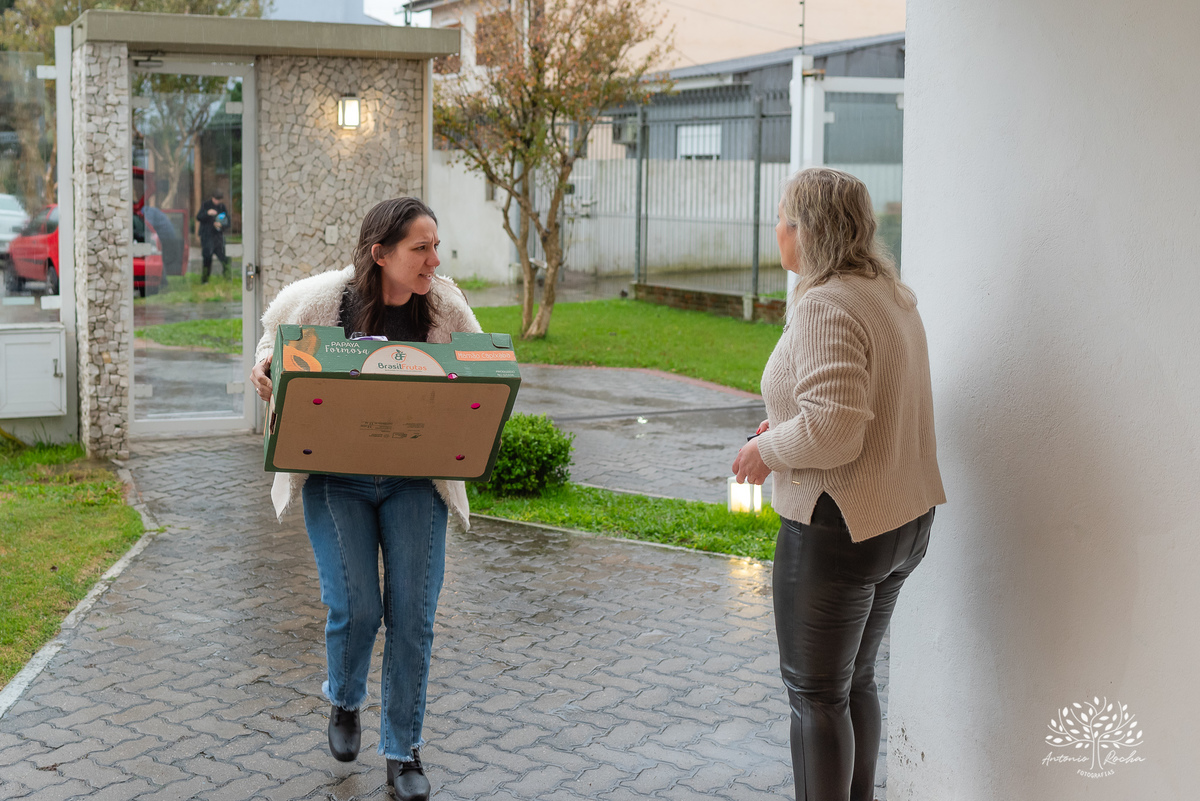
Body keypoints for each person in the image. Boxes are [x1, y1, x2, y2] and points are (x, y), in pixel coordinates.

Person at [249, 197, 482, 801]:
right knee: (357, 609)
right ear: (380, 254)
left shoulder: (446, 306)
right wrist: (266, 368)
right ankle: (346, 698)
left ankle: (402, 751)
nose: (435, 260)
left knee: (412, 619)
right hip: (335, 478)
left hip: (415, 479)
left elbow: (486, 366)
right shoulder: (324, 300)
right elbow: (273, 340)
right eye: (420, 248)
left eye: (436, 246)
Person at [731, 168, 946, 801]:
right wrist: (793, 423)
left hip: (837, 525)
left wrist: (765, 449)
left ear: (806, 230)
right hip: (898, 521)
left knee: (816, 697)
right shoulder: (887, 294)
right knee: (853, 685)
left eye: (782, 219)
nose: (776, 231)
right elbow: (858, 406)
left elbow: (835, 431)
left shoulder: (827, 303)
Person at [196, 189, 231, 283]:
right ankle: (205, 280)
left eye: (219, 200)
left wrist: (221, 225)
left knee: (225, 258)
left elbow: (227, 221)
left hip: (217, 236)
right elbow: (199, 217)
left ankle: (227, 278)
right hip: (207, 236)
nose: (217, 202)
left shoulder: (222, 207)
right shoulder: (206, 205)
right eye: (216, 199)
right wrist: (208, 213)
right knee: (207, 258)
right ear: (212, 198)